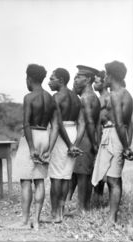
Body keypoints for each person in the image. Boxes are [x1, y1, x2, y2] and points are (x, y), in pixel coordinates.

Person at [10, 64, 55, 230]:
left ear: (29, 78)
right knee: (39, 179)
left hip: (32, 136)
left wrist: (31, 147)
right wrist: (49, 148)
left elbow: (26, 123)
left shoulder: (29, 97)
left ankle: (24, 220)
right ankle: (36, 221)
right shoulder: (51, 98)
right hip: (45, 135)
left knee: (25, 181)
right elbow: (56, 126)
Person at [91, 61, 133, 224]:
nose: (105, 77)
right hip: (115, 136)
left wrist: (125, 146)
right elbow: (129, 124)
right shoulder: (125, 94)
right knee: (111, 178)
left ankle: (112, 218)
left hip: (116, 136)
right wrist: (127, 143)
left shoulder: (117, 94)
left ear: (112, 76)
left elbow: (121, 124)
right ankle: (110, 214)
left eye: (107, 74)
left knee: (114, 179)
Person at [48, 68, 83, 223]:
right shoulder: (76, 98)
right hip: (73, 132)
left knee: (56, 176)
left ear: (61, 80)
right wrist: (75, 143)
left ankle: (55, 214)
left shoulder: (56, 97)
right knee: (66, 175)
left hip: (61, 137)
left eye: (52, 79)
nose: (49, 82)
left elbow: (57, 124)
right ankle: (61, 212)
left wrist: (69, 144)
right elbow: (82, 123)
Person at [67, 65, 100, 211]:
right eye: (74, 77)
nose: (75, 79)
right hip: (86, 138)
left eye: (78, 77)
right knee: (82, 173)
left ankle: (82, 209)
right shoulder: (90, 96)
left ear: (87, 79)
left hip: (86, 139)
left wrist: (93, 143)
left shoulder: (87, 98)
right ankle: (83, 207)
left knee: (82, 175)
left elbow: (90, 122)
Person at [92, 70, 109, 206]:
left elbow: (98, 123)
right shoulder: (100, 98)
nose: (94, 84)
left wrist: (96, 141)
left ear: (104, 83)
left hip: (104, 136)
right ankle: (97, 199)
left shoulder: (104, 99)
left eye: (97, 82)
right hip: (102, 135)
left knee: (101, 168)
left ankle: (98, 200)